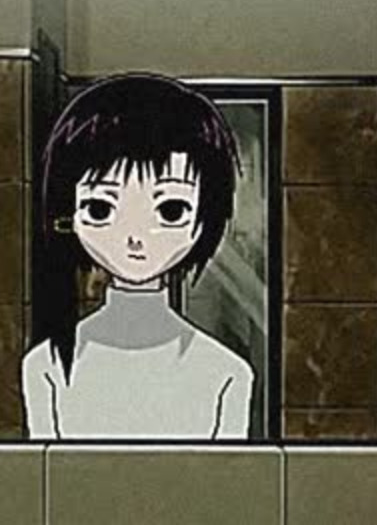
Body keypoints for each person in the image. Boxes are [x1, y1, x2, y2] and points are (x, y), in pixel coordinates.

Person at [22, 73, 255, 440]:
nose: (134, 237)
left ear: (205, 216)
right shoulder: (45, 367)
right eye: (100, 209)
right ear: (69, 214)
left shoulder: (227, 374)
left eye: (171, 210)